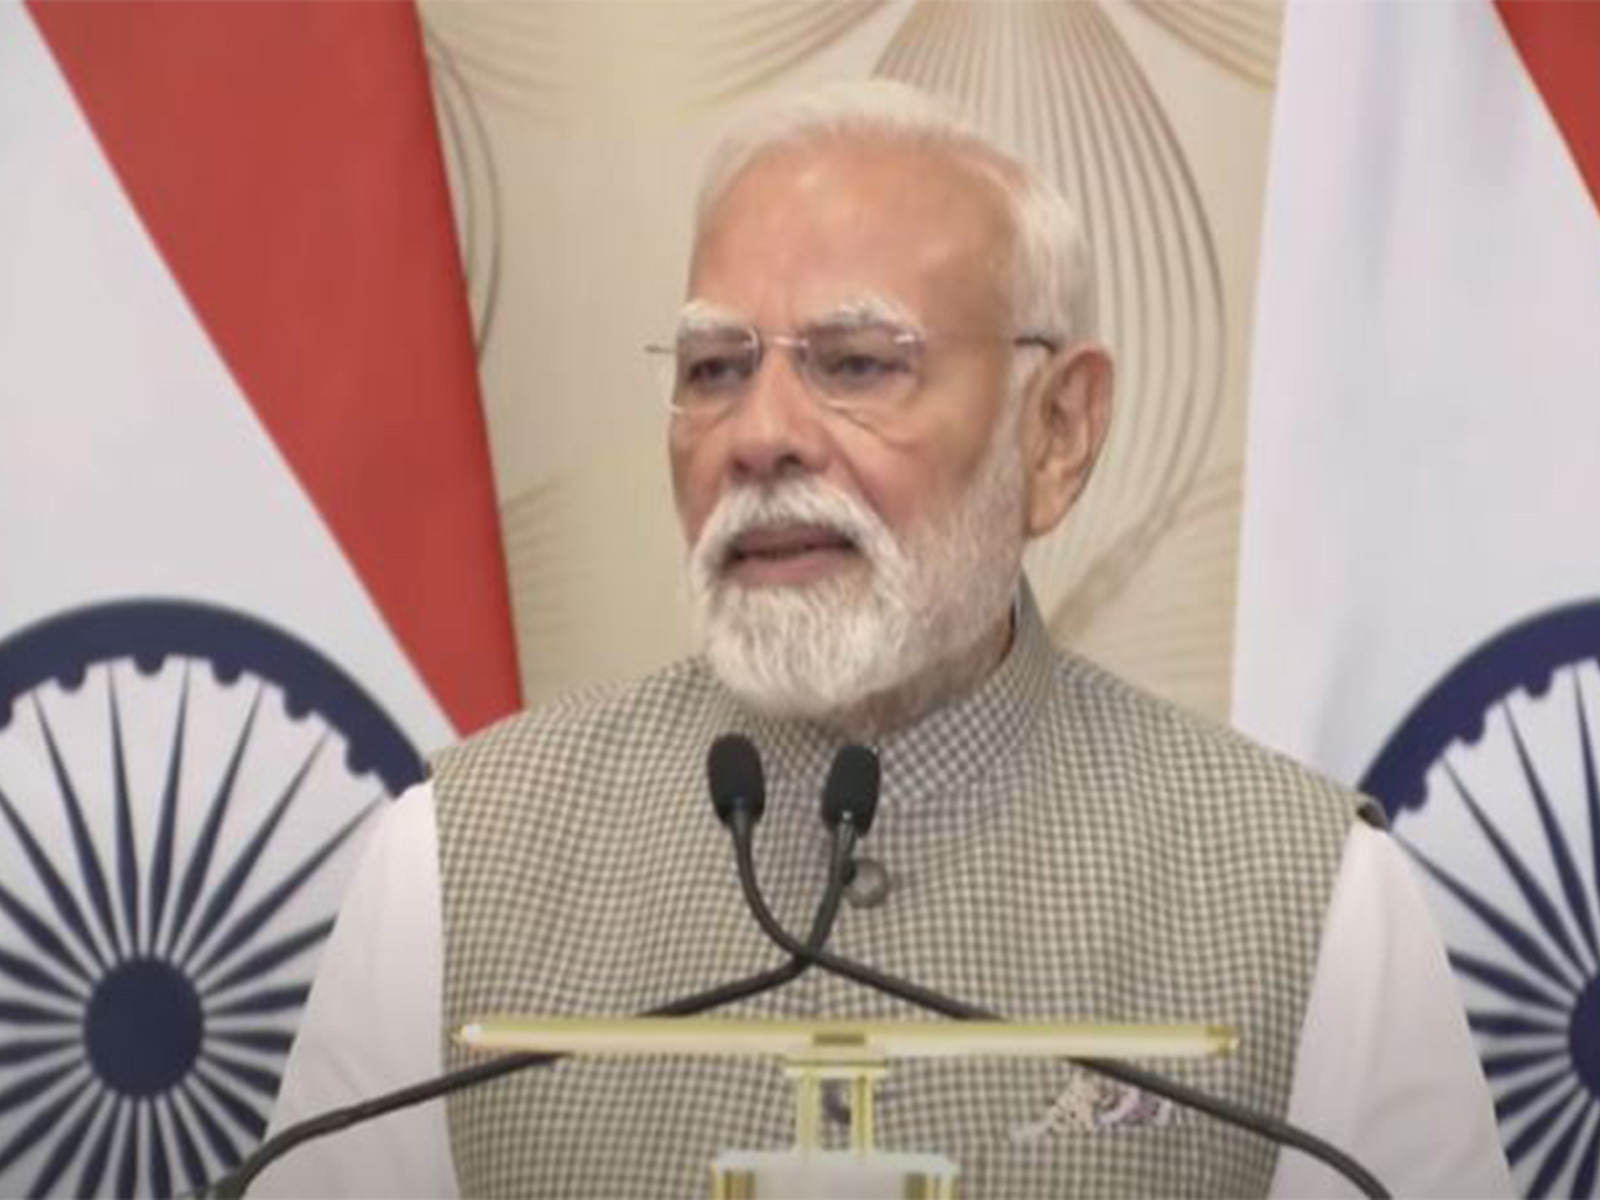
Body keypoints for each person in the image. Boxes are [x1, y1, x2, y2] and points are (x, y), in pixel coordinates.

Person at [260, 81, 1511, 1198]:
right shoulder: (453, 862)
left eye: (857, 364)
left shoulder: (1309, 898)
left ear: (1057, 431)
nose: (760, 435)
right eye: (713, 367)